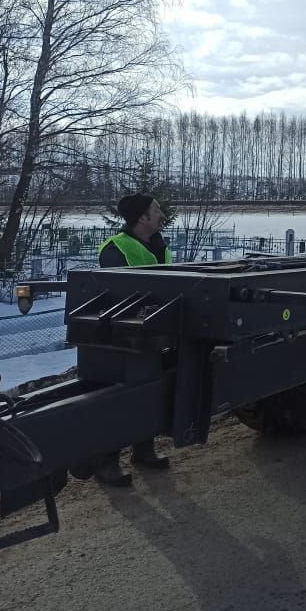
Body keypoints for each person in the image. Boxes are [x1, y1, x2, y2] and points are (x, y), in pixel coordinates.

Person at [92, 192, 172, 487]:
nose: (161, 214)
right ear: (142, 218)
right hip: (122, 335)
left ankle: (143, 449)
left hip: (152, 331)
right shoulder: (115, 249)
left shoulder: (158, 244)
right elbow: (118, 293)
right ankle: (107, 461)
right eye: (156, 209)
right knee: (119, 397)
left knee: (149, 390)